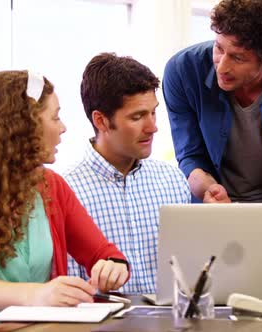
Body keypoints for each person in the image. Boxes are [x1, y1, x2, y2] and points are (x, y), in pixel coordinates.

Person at [0, 71, 129, 331]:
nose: (63, 128)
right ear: (23, 126)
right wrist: (38, 295)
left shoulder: (53, 187)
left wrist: (112, 267)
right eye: (55, 117)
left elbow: (103, 254)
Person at [163, 0, 262, 203]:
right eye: (219, 48)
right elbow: (189, 155)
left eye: (238, 58)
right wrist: (209, 190)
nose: (222, 67)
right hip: (209, 205)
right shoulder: (183, 72)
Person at [64, 53, 190, 294]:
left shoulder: (173, 181)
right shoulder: (68, 191)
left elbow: (188, 275)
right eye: (138, 116)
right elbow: (70, 291)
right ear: (101, 121)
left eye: (153, 112)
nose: (153, 127)